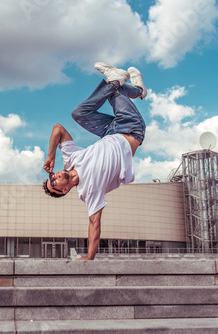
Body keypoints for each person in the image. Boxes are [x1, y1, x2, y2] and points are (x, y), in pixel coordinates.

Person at [42, 62, 147, 260]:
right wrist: (89, 258)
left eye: (51, 176)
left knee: (78, 114)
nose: (54, 176)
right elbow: (94, 223)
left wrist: (51, 156)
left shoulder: (71, 160)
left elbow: (58, 128)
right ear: (64, 190)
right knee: (114, 90)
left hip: (109, 131)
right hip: (132, 129)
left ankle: (137, 90)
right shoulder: (89, 191)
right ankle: (129, 87)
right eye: (54, 183)